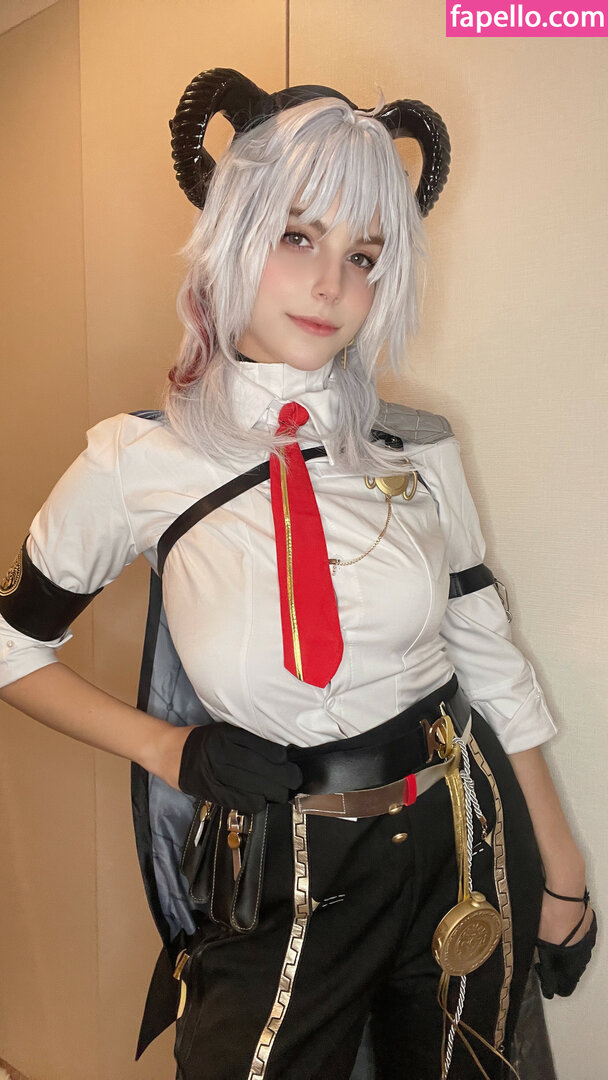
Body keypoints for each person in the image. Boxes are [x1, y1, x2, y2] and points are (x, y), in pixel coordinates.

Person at [0, 68, 596, 1080]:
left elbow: (483, 650)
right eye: (296, 237)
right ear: (231, 236)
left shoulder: (416, 447)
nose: (331, 285)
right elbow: (13, 647)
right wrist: (167, 749)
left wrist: (560, 863)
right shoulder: (135, 463)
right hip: (279, 864)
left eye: (362, 255)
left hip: (455, 839)